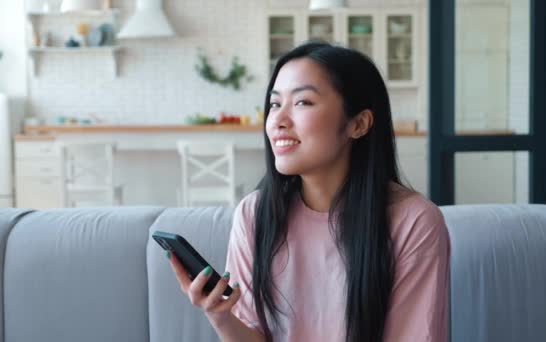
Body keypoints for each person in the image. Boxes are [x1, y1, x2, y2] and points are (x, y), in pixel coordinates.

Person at [167, 41, 450, 342]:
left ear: (358, 124)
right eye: (275, 104)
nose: (278, 120)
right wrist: (220, 315)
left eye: (302, 102)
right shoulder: (255, 214)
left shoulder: (413, 221)